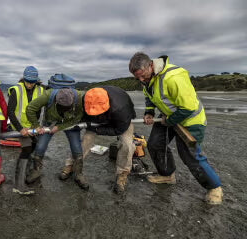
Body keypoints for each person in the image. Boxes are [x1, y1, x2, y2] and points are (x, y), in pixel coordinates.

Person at [128, 52, 223, 204]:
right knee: (155, 144)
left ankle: (215, 188)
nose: (141, 80)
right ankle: (167, 175)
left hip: (191, 120)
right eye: (137, 77)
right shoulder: (147, 79)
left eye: (142, 75)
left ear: (150, 65)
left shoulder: (174, 77)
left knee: (189, 155)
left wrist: (170, 121)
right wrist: (149, 112)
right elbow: (149, 97)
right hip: (168, 116)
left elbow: (189, 107)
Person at [59, 86, 137, 193]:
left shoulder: (122, 109)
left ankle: (122, 173)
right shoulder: (86, 98)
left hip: (120, 121)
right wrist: (84, 124)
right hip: (96, 121)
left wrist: (98, 129)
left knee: (127, 145)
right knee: (86, 140)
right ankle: (71, 165)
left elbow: (119, 130)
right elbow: (83, 118)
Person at [26, 81, 86, 190]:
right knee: (40, 146)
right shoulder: (48, 95)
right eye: (62, 107)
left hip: (70, 122)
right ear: (56, 101)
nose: (64, 109)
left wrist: (60, 127)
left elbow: (78, 118)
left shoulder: (79, 98)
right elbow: (30, 108)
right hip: (50, 122)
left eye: (67, 107)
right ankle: (36, 171)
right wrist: (37, 126)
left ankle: (78, 174)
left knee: (76, 146)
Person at [8, 66, 45, 195]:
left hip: (34, 126)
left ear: (36, 80)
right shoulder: (16, 90)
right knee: (27, 148)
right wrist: (20, 129)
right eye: (27, 81)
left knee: (34, 146)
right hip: (20, 126)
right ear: (24, 78)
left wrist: (37, 125)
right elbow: (10, 112)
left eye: (32, 82)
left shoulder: (41, 90)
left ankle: (27, 170)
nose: (29, 84)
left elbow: (40, 109)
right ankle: (18, 184)